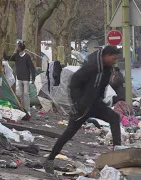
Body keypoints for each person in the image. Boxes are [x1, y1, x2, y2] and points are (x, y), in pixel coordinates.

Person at [44, 45, 122, 174]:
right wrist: (76, 102)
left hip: (95, 103)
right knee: (69, 132)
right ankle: (50, 159)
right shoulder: (92, 66)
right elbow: (74, 81)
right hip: (83, 106)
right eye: (113, 58)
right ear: (106, 55)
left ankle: (118, 151)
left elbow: (101, 85)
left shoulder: (107, 67)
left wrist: (100, 98)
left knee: (114, 118)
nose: (115, 61)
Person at [3, 41, 36, 115]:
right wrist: (3, 50)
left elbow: (32, 67)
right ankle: (23, 109)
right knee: (21, 95)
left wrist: (33, 78)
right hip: (19, 77)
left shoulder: (27, 56)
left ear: (20, 48)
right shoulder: (16, 56)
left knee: (26, 94)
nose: (16, 48)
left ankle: (28, 111)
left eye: (17, 47)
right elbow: (6, 58)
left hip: (26, 79)